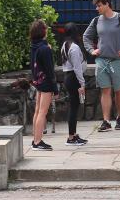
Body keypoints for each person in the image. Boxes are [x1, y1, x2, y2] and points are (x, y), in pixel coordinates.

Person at [83, 0, 120, 132]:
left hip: (118, 61)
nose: (97, 8)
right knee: (105, 90)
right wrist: (91, 50)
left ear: (107, 4)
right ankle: (106, 121)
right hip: (102, 60)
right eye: (96, 6)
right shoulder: (96, 21)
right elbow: (86, 36)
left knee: (119, 90)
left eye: (99, 5)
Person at [30, 19, 56, 151]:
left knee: (37, 111)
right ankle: (38, 141)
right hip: (46, 82)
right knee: (42, 112)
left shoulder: (34, 46)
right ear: (43, 31)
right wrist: (55, 88)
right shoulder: (45, 49)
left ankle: (35, 139)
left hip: (38, 81)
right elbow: (50, 70)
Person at [61, 22, 88, 146]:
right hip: (73, 78)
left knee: (73, 107)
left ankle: (74, 134)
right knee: (74, 108)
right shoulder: (74, 47)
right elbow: (77, 68)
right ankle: (71, 137)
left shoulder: (65, 45)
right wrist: (82, 84)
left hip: (68, 76)